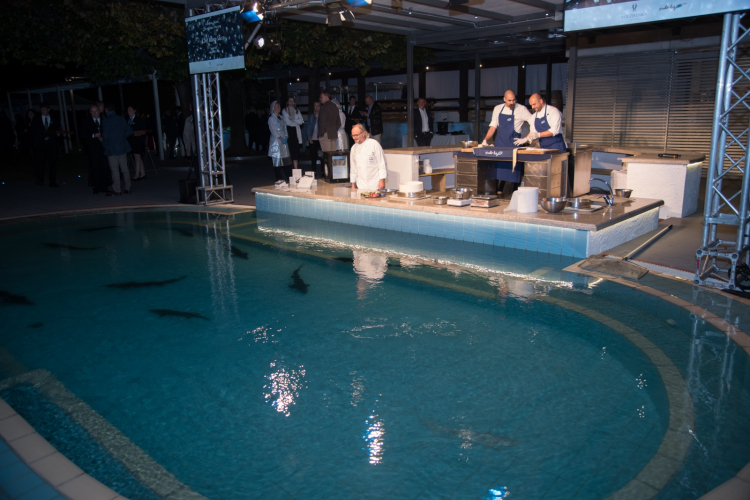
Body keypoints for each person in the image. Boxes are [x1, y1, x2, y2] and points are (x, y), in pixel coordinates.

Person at [102, 102, 133, 196]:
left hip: (112, 148)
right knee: (124, 168)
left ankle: (117, 189)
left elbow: (106, 135)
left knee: (114, 170)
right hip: (122, 146)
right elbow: (130, 130)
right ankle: (128, 188)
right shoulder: (121, 118)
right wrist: (122, 137)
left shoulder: (106, 120)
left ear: (106, 110)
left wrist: (104, 144)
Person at [350, 124, 387, 192]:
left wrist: (382, 180)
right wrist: (353, 184)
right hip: (361, 185)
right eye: (353, 135)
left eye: (356, 135)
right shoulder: (353, 148)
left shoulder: (374, 144)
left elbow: (382, 163)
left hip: (375, 185)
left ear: (363, 133)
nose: (354, 137)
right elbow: (353, 168)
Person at [81, 104, 108, 194]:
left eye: (96, 111)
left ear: (99, 111)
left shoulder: (104, 120)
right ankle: (97, 187)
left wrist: (104, 137)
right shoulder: (87, 122)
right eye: (92, 112)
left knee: (104, 167)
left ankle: (104, 186)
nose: (94, 113)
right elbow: (83, 134)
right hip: (93, 149)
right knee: (96, 168)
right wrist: (93, 135)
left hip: (104, 148)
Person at [31, 102, 59, 187]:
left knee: (52, 163)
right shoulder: (36, 119)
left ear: (48, 109)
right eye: (41, 109)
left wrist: (57, 135)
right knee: (40, 162)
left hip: (51, 144)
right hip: (41, 144)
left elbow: (57, 129)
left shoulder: (54, 119)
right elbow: (33, 131)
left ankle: (52, 181)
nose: (43, 111)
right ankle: (40, 180)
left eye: (45, 109)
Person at [268, 100, 292, 181]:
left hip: (283, 141)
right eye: (277, 107)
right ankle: (279, 178)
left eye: (279, 106)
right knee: (277, 161)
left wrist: (286, 136)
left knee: (286, 160)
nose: (279, 108)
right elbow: (273, 130)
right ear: (273, 108)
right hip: (276, 141)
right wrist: (280, 137)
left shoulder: (282, 118)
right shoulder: (271, 119)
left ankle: (289, 176)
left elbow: (285, 128)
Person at [282, 97, 304, 170]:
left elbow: (301, 121)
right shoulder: (284, 111)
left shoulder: (297, 110)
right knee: (290, 151)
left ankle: (296, 169)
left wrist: (293, 120)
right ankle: (289, 169)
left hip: (296, 133)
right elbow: (288, 122)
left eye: (293, 101)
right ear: (287, 102)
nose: (291, 103)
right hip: (289, 132)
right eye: (290, 101)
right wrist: (296, 121)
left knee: (296, 152)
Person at [126, 105, 148, 181]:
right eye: (128, 110)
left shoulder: (139, 120)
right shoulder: (128, 120)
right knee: (137, 156)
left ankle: (137, 174)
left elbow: (143, 130)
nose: (128, 112)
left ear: (135, 111)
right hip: (132, 141)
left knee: (137, 156)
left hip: (138, 141)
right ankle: (142, 173)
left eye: (130, 110)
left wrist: (135, 133)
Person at [318, 89, 341, 153]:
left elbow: (322, 122)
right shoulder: (335, 107)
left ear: (326, 96)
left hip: (325, 134)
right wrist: (333, 129)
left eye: (321, 97)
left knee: (327, 156)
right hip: (333, 134)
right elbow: (339, 123)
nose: (320, 99)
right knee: (332, 156)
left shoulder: (324, 107)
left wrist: (321, 133)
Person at [304, 101, 322, 178]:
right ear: (313, 107)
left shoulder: (322, 116)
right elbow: (308, 128)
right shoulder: (311, 117)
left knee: (322, 156)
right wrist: (309, 138)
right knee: (313, 156)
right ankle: (314, 172)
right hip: (313, 139)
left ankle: (323, 171)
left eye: (318, 105)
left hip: (321, 139)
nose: (317, 107)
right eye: (315, 106)